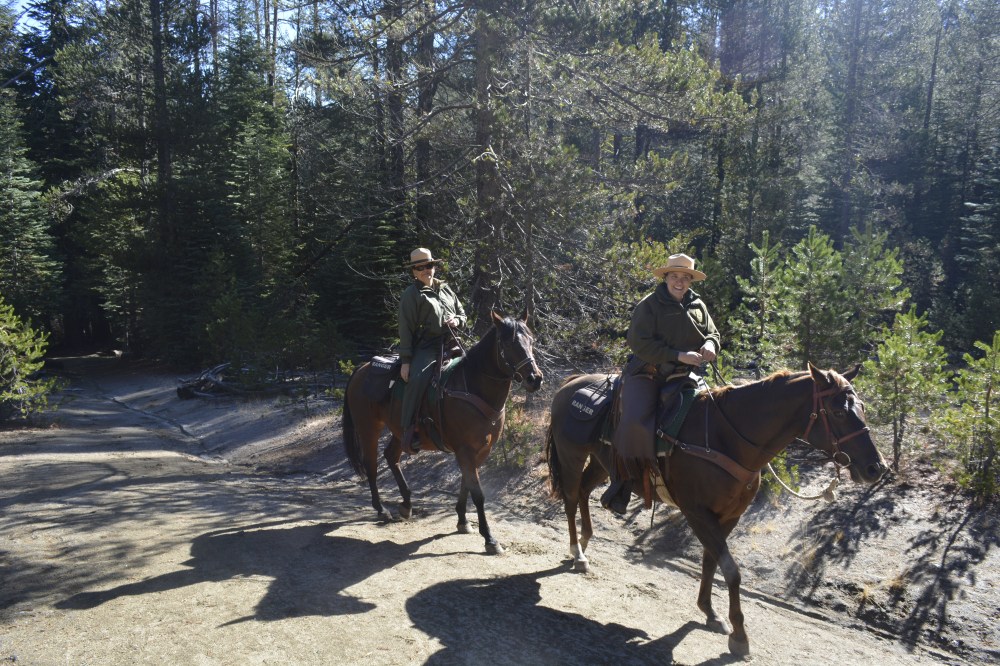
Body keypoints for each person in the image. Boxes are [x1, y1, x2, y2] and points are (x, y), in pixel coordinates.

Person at [600, 253, 721, 514]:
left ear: (691, 280)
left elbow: (712, 332)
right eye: (675, 276)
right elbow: (639, 343)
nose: (680, 282)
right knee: (635, 418)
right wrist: (678, 355)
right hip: (648, 372)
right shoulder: (650, 305)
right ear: (666, 277)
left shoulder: (698, 304)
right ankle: (621, 482)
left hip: (685, 373)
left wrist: (711, 344)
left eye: (685, 277)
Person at [398, 248, 468, 454]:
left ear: (434, 266)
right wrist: (406, 360)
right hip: (427, 346)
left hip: (452, 341)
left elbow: (463, 315)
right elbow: (405, 328)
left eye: (428, 266)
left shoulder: (446, 289)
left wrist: (456, 320)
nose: (425, 270)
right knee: (418, 378)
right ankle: (409, 429)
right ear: (413, 271)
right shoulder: (412, 295)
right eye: (419, 268)